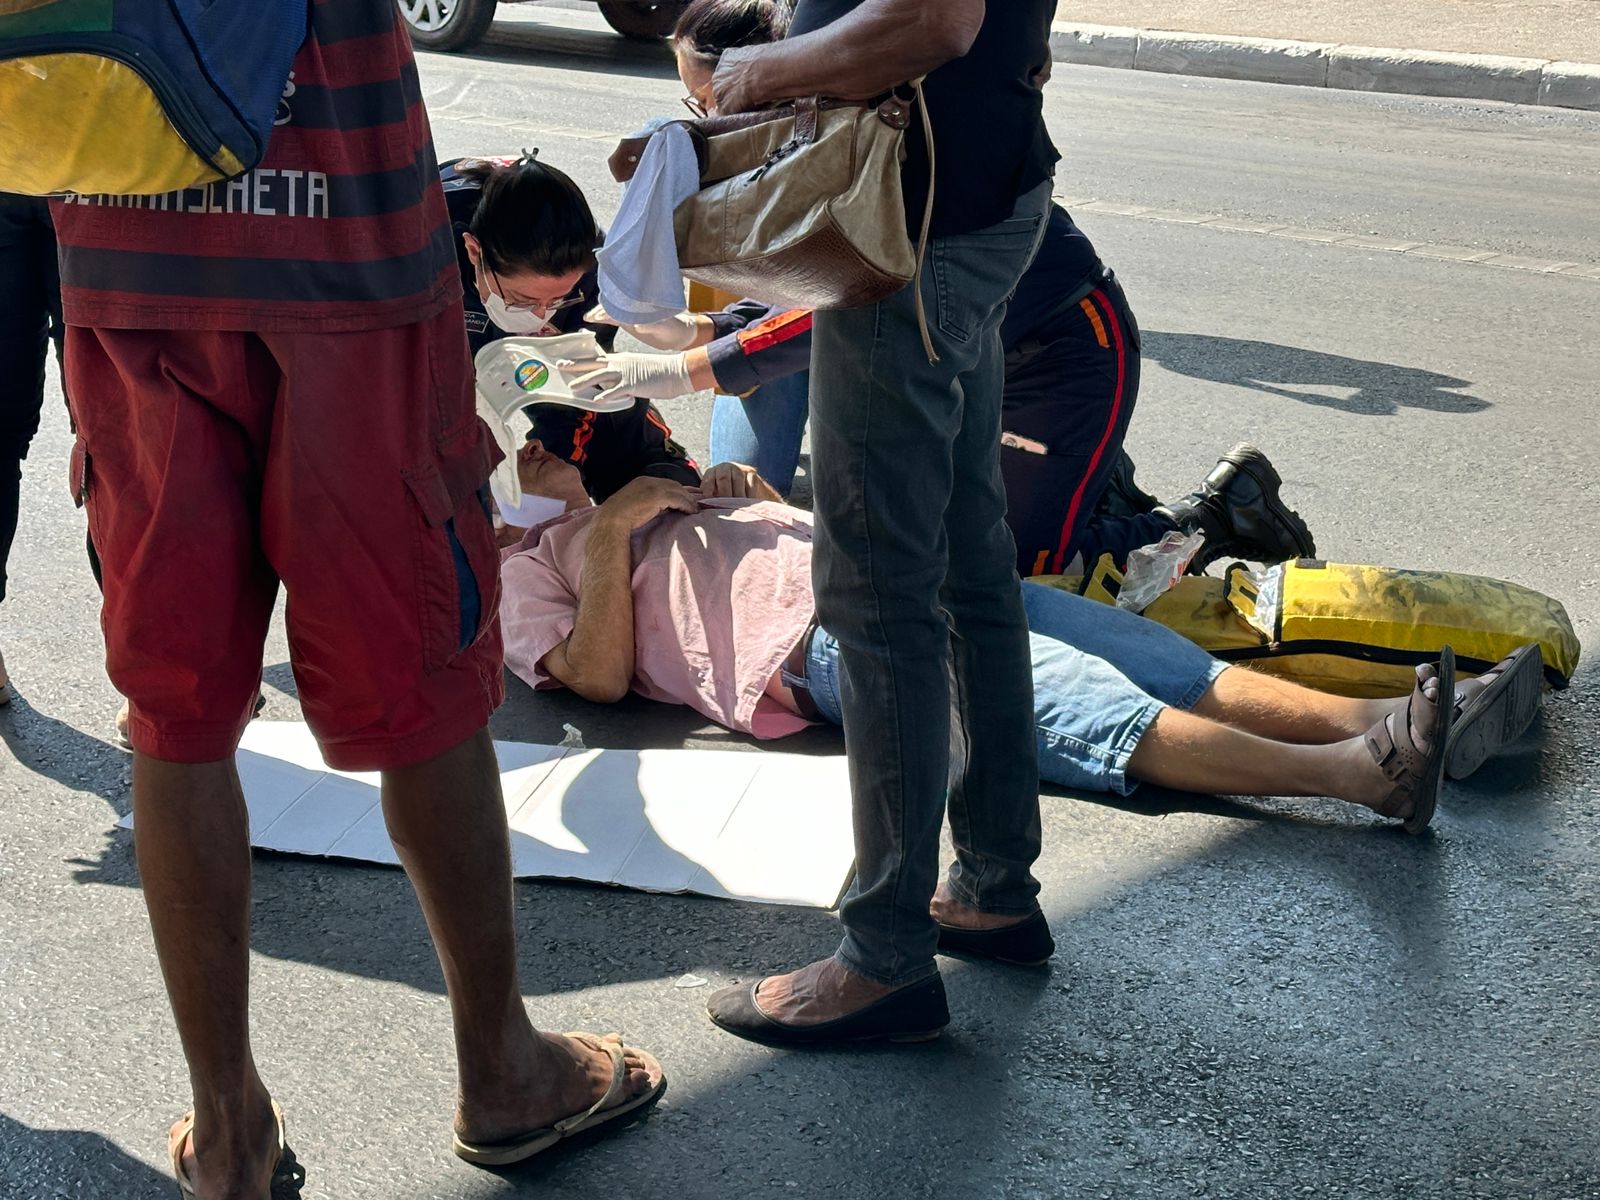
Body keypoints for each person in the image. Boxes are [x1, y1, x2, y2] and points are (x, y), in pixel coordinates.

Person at [49, 3, 663, 1194]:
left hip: (127, 245)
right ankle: (505, 1073)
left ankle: (227, 1132)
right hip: (344, 257)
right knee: (420, 686)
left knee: (176, 715)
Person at [498, 449, 1542, 870]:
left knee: (1143, 651)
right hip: (817, 638)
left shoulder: (620, 507)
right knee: (1068, 699)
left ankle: (1384, 728)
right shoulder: (522, 571)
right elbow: (593, 676)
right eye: (525, 448)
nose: (548, 452)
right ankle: (1356, 778)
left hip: (892, 567)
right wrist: (605, 531)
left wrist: (737, 491)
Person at [575, 0, 1314, 579]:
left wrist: (679, 368)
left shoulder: (858, 149)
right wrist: (700, 335)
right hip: (981, 351)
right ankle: (1093, 484)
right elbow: (798, 293)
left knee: (1020, 569)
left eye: (710, 100)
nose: (710, 122)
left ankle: (1211, 513)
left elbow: (844, 302)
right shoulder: (812, 149)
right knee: (960, 548)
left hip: (1065, 356)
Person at [671, 0, 1062, 1046]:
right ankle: (989, 883)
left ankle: (883, 954)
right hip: (969, 200)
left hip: (909, 227)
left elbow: (929, 19)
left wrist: (754, 74)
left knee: (877, 590)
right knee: (966, 565)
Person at [442, 152, 699, 502]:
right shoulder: (421, 246)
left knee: (603, 403)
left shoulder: (594, 274)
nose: (540, 316)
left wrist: (545, 492)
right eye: (523, 301)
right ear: (474, 251)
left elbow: (579, 396)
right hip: (436, 310)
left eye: (556, 301)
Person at [0, 193, 66, 705]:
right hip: (108, 170)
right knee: (123, 434)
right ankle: (164, 674)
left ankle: (165, 670)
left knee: (123, 434)